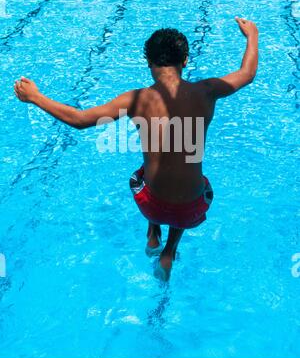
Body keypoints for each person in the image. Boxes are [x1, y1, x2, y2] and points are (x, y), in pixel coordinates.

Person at [14, 17, 258, 282]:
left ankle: (153, 233)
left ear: (149, 63)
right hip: (191, 209)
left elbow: (80, 120)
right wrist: (252, 35)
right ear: (185, 60)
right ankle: (168, 253)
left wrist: (35, 97)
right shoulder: (207, 90)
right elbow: (247, 73)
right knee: (196, 182)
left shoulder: (137, 99)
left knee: (142, 175)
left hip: (150, 206)